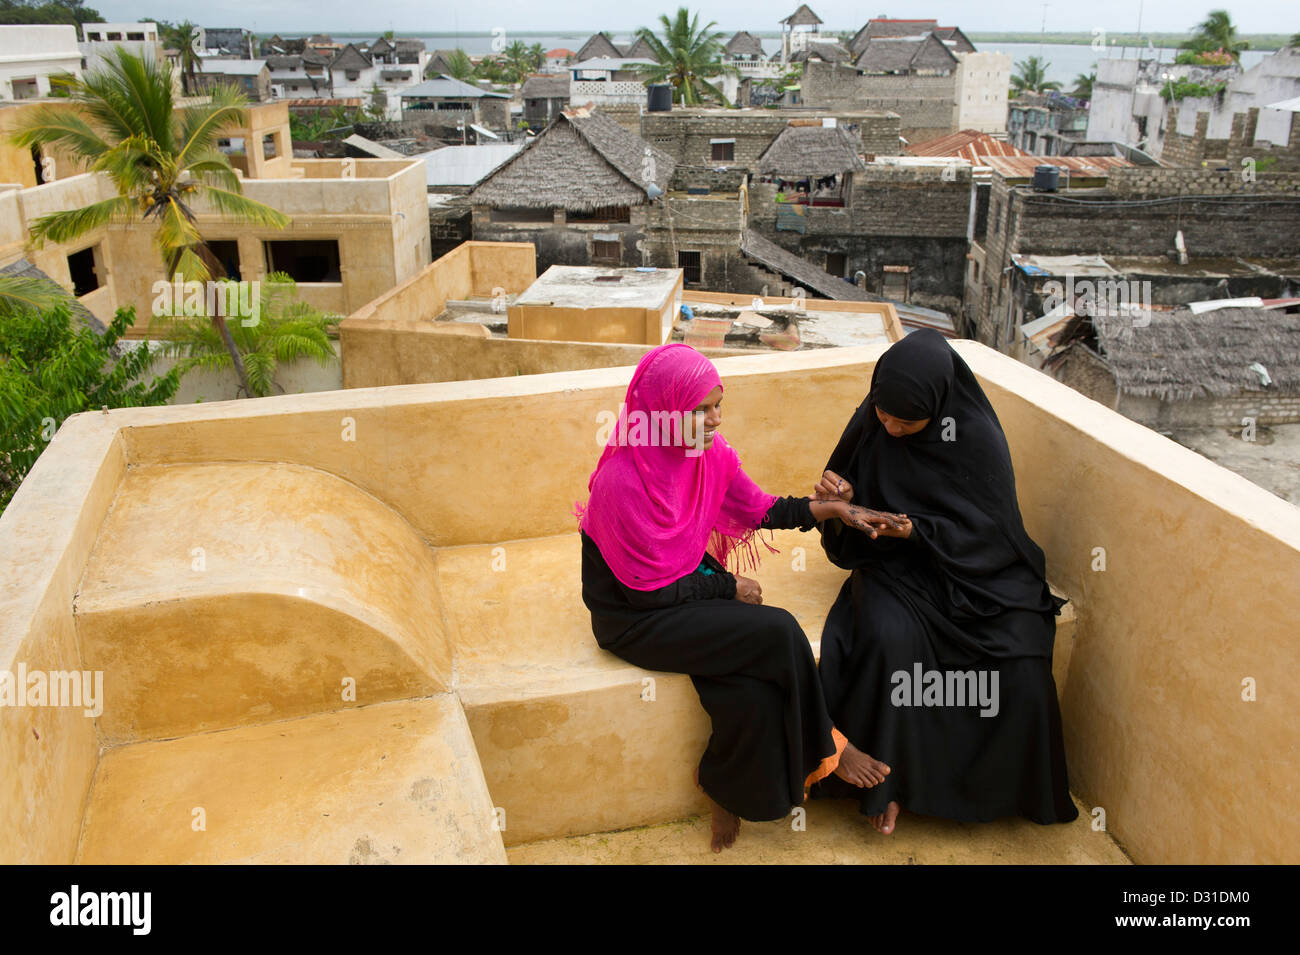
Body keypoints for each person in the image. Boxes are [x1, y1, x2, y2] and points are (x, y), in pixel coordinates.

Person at [576, 343, 906, 852]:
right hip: (633, 617)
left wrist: (835, 510)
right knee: (777, 631)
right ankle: (832, 747)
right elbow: (646, 593)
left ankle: (721, 784)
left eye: (718, 405)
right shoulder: (621, 482)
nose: (714, 420)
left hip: (682, 583)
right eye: (699, 410)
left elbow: (764, 509)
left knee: (751, 685)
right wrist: (726, 586)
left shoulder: (707, 455)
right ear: (661, 414)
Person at [809, 329, 1078, 836]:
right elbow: (843, 513)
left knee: (1022, 664)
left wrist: (920, 529)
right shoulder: (875, 419)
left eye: (906, 423)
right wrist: (839, 501)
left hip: (973, 574)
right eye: (883, 415)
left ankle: (998, 791)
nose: (889, 427)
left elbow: (994, 534)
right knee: (890, 642)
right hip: (893, 568)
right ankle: (888, 786)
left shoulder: (974, 436)